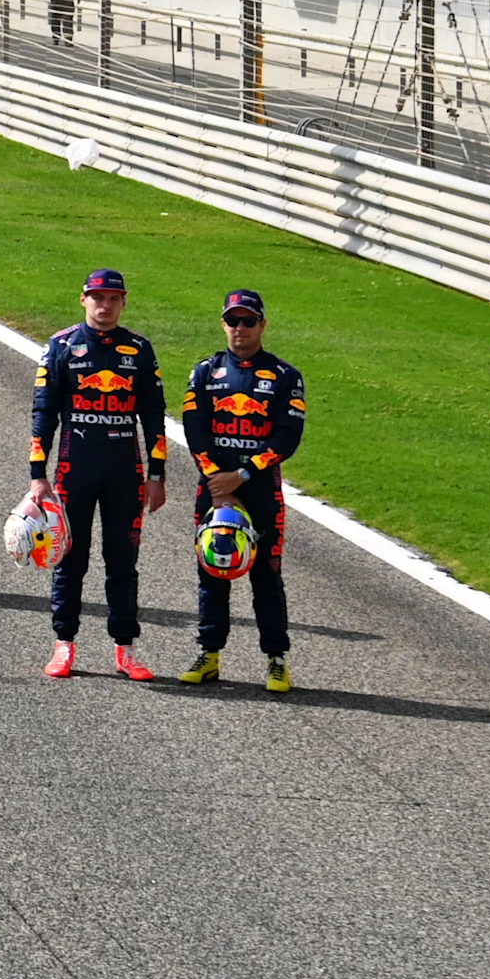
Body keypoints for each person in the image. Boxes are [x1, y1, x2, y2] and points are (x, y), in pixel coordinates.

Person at [30, 268, 166, 680]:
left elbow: (155, 419)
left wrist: (157, 476)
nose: (104, 305)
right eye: (97, 297)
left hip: (127, 470)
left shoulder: (140, 350)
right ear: (83, 299)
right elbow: (42, 415)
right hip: (75, 468)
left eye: (112, 298)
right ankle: (63, 645)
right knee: (70, 558)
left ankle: (125, 649)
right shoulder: (59, 346)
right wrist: (38, 475)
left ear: (123, 302)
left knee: (123, 561)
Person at [180, 288, 306, 693]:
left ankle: (276, 659)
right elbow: (194, 429)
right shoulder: (204, 371)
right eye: (233, 321)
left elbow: (288, 437)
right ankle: (209, 654)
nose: (240, 328)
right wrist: (218, 482)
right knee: (212, 573)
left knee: (267, 577)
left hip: (260, 490)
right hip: (214, 488)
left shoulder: (286, 376)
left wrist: (244, 475)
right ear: (223, 324)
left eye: (248, 321)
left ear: (262, 325)